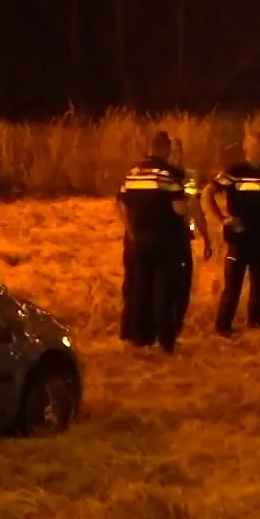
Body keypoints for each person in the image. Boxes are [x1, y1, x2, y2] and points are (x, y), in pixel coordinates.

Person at [115, 131, 190, 353]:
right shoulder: (168, 175)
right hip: (164, 239)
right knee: (164, 289)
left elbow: (120, 204)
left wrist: (130, 229)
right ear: (165, 149)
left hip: (137, 239)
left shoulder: (132, 172)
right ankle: (165, 340)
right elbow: (180, 207)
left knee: (140, 287)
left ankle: (139, 338)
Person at [206, 130, 260, 336]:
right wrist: (223, 219)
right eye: (253, 146)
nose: (257, 150)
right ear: (246, 149)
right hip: (240, 238)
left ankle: (255, 326)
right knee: (233, 287)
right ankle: (223, 327)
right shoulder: (235, 170)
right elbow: (208, 193)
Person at [167, 138, 213, 334]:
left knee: (184, 284)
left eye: (180, 151)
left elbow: (196, 208)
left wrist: (207, 238)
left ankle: (176, 325)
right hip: (163, 237)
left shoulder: (190, 177)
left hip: (183, 238)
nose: (177, 155)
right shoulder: (161, 176)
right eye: (173, 151)